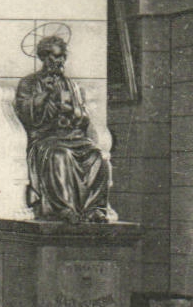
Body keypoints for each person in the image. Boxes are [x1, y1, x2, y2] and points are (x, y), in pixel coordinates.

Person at [13, 35, 116, 223]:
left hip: (71, 136)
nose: (59, 61)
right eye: (55, 56)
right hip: (45, 139)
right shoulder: (29, 83)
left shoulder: (71, 85)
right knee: (60, 156)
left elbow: (83, 118)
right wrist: (45, 96)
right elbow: (25, 113)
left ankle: (93, 209)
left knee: (96, 157)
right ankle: (64, 209)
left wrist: (74, 112)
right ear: (44, 57)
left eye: (62, 57)